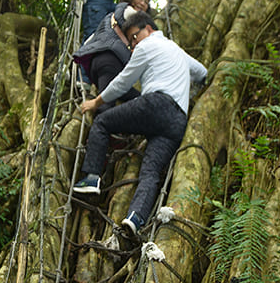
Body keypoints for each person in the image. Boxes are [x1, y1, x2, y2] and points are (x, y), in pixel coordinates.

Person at [74, 12, 207, 233]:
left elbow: (123, 82)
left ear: (148, 29)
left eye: (134, 38)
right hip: (177, 121)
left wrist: (96, 102)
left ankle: (91, 177)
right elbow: (202, 72)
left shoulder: (148, 46)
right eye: (131, 42)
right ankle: (135, 219)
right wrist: (188, 94)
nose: (133, 45)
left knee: (103, 122)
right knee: (151, 170)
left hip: (155, 105)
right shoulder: (178, 51)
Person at [72, 0, 152, 111]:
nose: (143, 3)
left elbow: (89, 42)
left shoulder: (111, 16)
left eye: (146, 1)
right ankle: (100, 129)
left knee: (136, 97)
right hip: (110, 63)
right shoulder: (127, 10)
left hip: (100, 67)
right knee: (106, 106)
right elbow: (145, 29)